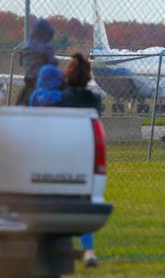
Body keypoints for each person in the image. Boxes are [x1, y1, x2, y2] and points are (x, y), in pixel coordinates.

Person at [60, 52, 101, 267]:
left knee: (59, 202)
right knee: (84, 204)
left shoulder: (62, 98)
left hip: (63, 154)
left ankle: (61, 247)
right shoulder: (94, 100)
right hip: (85, 154)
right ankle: (89, 251)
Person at [17, 19, 58, 105]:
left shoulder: (25, 47)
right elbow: (53, 65)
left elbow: (21, 62)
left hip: (28, 84)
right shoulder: (46, 48)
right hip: (43, 85)